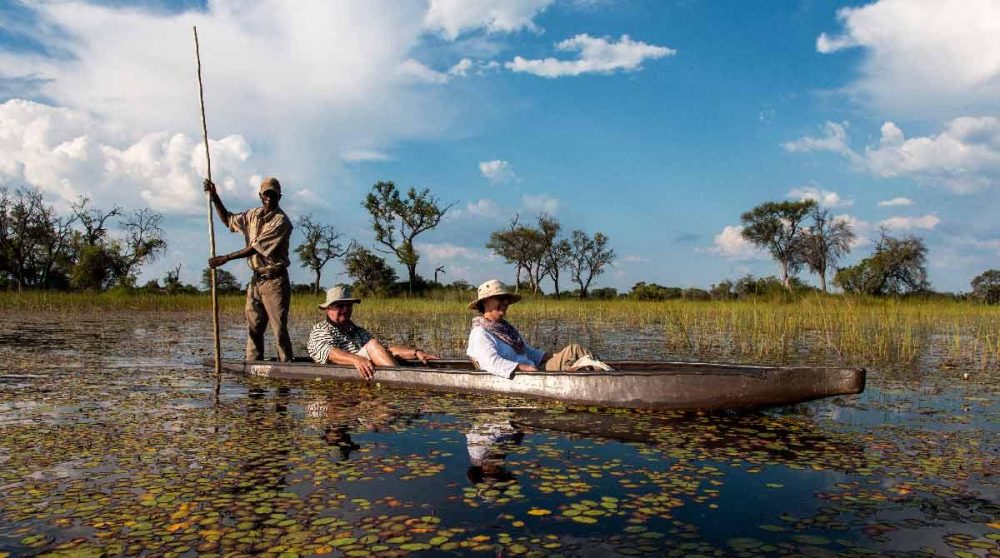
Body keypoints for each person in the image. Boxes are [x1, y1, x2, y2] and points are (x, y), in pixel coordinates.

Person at [205, 176, 293, 362]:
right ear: (260, 195)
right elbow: (228, 219)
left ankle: (286, 366)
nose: (269, 198)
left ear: (279, 197)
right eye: (266, 194)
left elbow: (255, 248)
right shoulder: (252, 215)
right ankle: (253, 365)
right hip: (256, 279)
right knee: (253, 326)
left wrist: (226, 258)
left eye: (273, 195)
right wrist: (214, 196)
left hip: (275, 280)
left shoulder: (281, 221)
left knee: (279, 329)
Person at [466, 279, 613, 378]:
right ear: (485, 303)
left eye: (506, 299)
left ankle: (606, 375)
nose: (505, 302)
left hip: (535, 369)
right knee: (575, 355)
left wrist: (553, 356)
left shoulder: (504, 329)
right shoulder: (481, 333)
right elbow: (491, 363)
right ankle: (607, 378)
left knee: (572, 351)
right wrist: (523, 368)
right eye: (500, 298)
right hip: (527, 375)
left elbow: (526, 351)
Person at [307, 285, 439, 380]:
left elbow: (384, 350)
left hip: (365, 378)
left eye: (349, 305)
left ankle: (401, 379)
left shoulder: (359, 331)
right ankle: (402, 381)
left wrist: (416, 352)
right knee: (372, 345)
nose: (346, 309)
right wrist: (356, 359)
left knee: (375, 345)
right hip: (337, 391)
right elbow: (329, 353)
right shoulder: (321, 329)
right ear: (328, 309)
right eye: (340, 306)